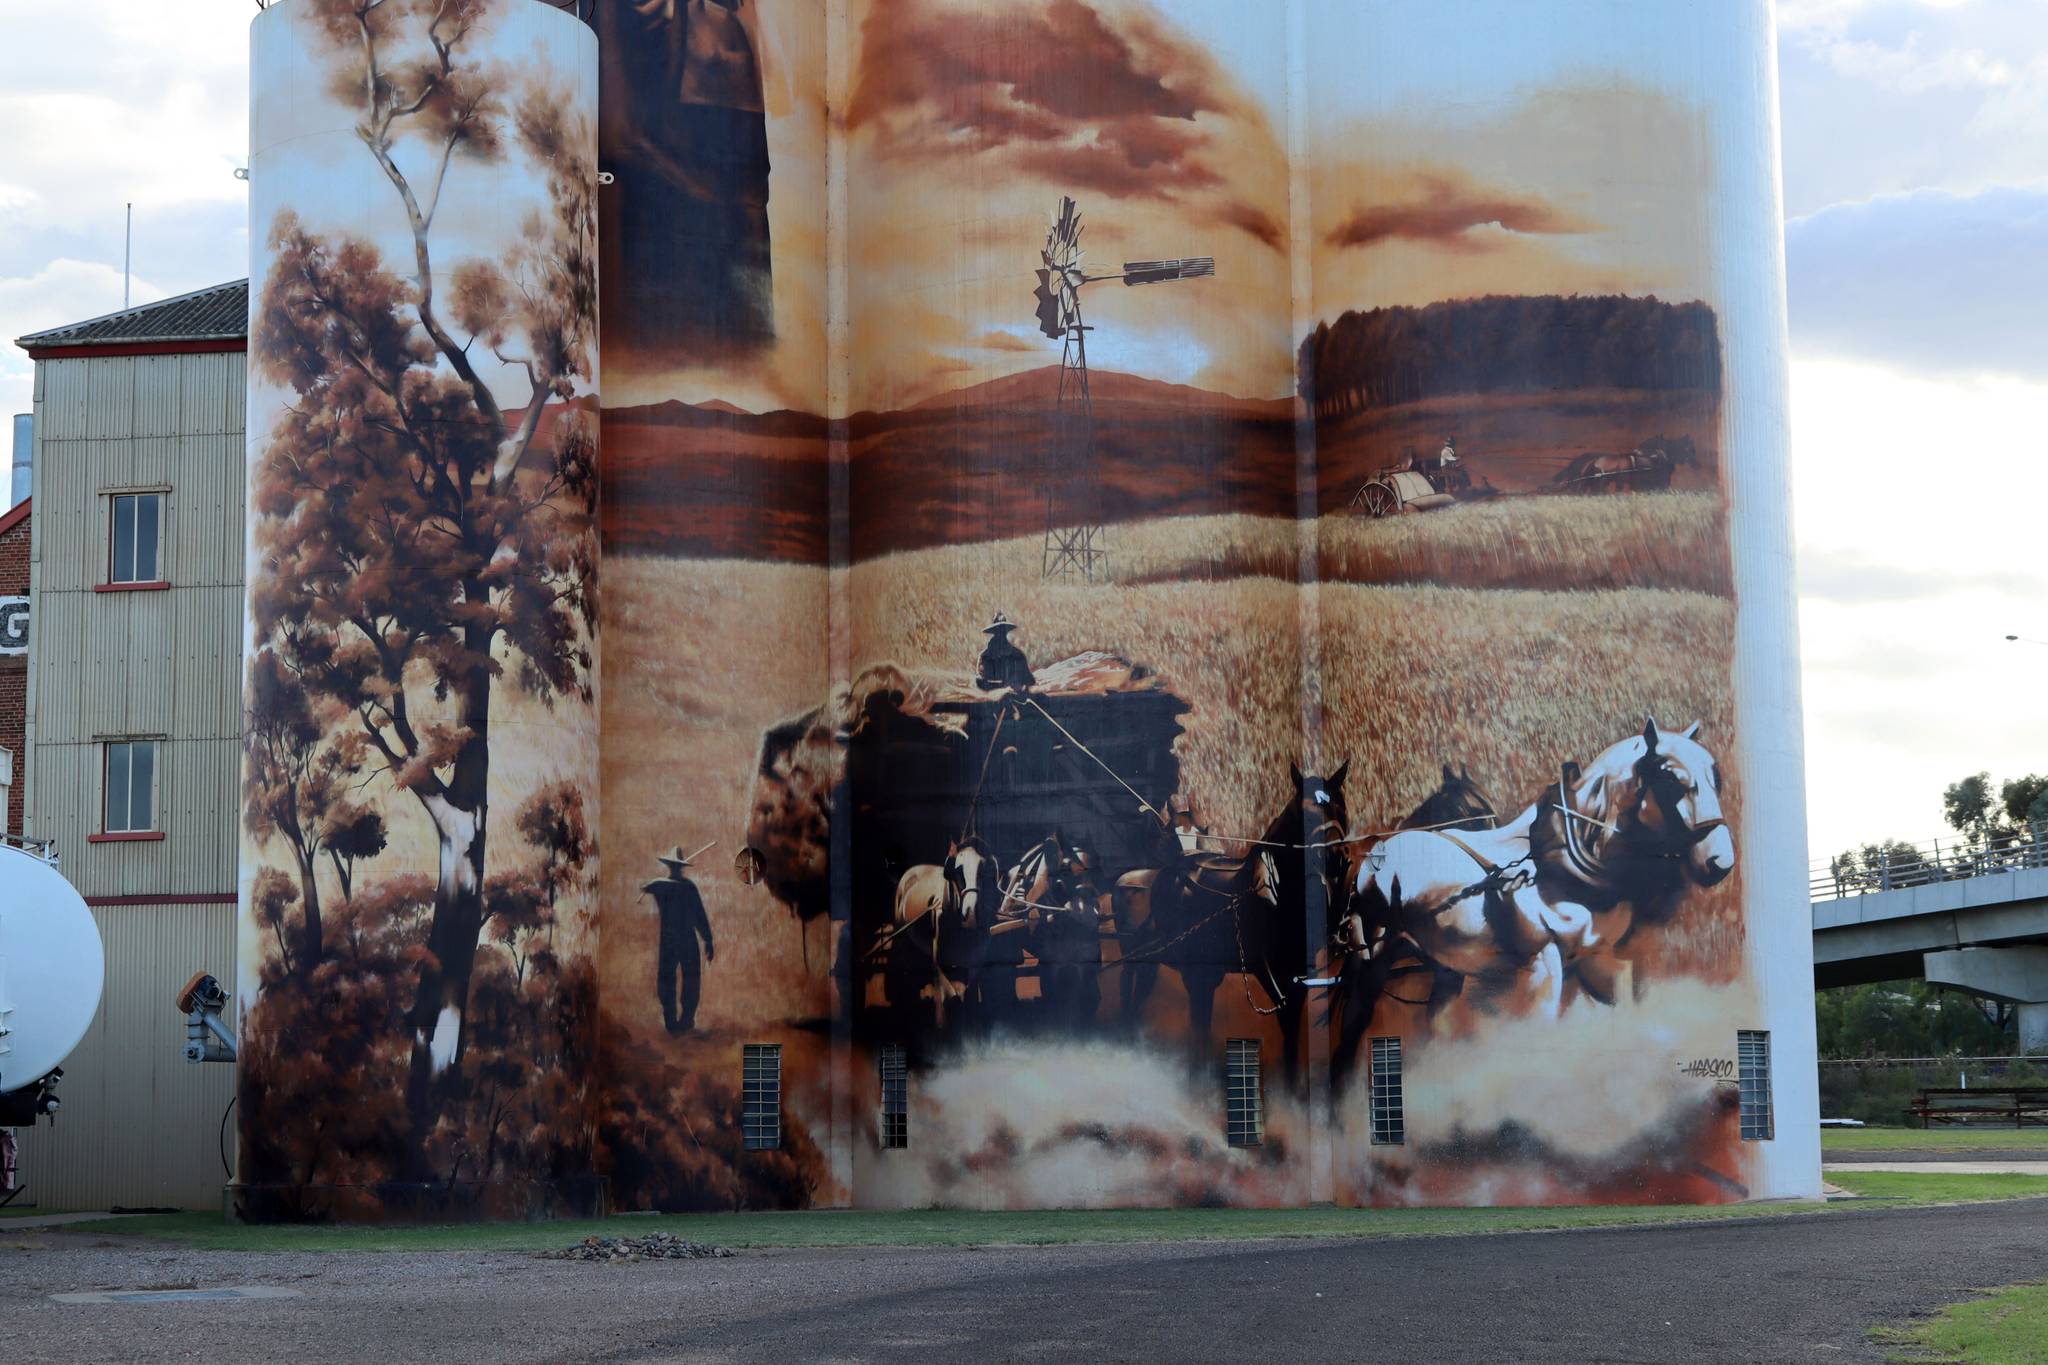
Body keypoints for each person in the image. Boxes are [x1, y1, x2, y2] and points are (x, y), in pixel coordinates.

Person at [644, 845, 715, 1034]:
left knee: (679, 978)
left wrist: (708, 940)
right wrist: (708, 940)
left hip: (672, 939)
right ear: (679, 866)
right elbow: (700, 916)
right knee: (678, 978)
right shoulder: (687, 887)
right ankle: (679, 1021)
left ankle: (680, 1022)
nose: (675, 870)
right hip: (683, 939)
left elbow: (699, 915)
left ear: (670, 866)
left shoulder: (660, 885)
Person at [976, 612, 1036, 692]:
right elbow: (980, 679)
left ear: (1006, 632)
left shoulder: (1017, 655)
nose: (1000, 634)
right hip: (992, 693)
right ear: (994, 632)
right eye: (998, 631)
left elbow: (1029, 680)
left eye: (1002, 631)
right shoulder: (984, 656)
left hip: (1014, 693)